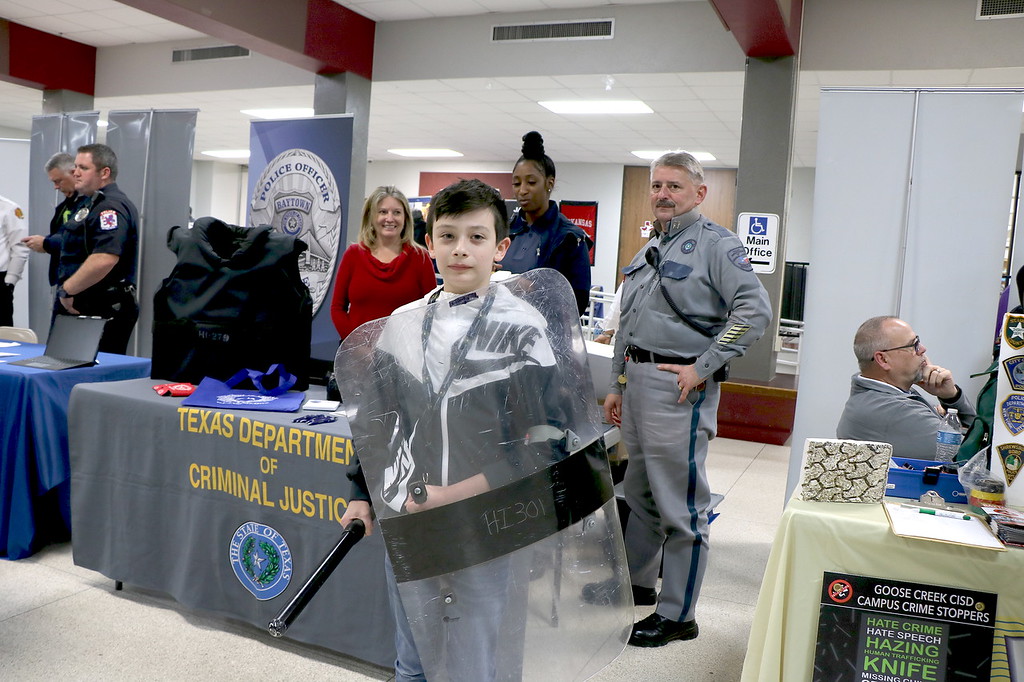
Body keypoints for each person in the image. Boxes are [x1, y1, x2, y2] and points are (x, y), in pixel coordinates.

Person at [339, 180, 571, 681]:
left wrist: (458, 493)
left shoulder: (524, 329)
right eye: (447, 236)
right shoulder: (404, 323)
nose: (460, 249)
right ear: (429, 241)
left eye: (476, 237)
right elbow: (379, 420)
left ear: (501, 247)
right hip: (413, 518)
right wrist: (361, 490)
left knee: (472, 661)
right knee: (413, 659)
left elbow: (547, 439)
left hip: (485, 522)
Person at [601, 151, 771, 647]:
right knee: (642, 492)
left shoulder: (717, 246)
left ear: (699, 193)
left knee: (681, 505)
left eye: (674, 186)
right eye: (656, 186)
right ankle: (638, 584)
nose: (662, 194)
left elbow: (754, 311)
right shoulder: (648, 249)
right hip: (637, 380)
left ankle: (678, 615)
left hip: (679, 386)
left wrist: (703, 365)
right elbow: (626, 325)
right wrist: (616, 381)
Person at [836, 315, 976, 460]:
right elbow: (977, 453)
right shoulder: (893, 409)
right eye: (913, 345)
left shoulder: (879, 395)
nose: (922, 349)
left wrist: (951, 397)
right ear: (883, 359)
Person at [55, 143, 139, 354]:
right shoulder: (89, 203)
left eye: (83, 167)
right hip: (86, 303)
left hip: (101, 305)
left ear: (104, 172)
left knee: (91, 375)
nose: (75, 172)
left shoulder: (109, 207)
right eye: (75, 166)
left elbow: (105, 257)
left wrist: (67, 290)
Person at [330, 186, 437, 341]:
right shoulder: (353, 255)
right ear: (371, 217)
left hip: (404, 355)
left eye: (397, 212)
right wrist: (355, 345)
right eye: (383, 212)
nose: (390, 218)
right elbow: (337, 308)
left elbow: (430, 310)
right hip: (356, 354)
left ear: (405, 218)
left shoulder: (420, 257)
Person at [504, 131, 593, 315]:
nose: (522, 190)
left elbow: (578, 303)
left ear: (549, 183)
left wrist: (529, 288)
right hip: (501, 330)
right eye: (516, 183)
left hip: (543, 334)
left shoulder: (569, 239)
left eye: (531, 182)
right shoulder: (504, 231)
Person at [23, 152, 84, 288]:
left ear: (74, 173)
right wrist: (43, 241)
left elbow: (78, 240)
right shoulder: (65, 206)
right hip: (65, 278)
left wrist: (46, 243)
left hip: (79, 281)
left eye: (58, 181)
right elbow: (62, 233)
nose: (56, 187)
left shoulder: (90, 204)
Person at [0, 194, 29, 326]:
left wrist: (10, 282)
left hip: (1, 281)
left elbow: (20, 247)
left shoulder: (8, 208)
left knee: (3, 338)